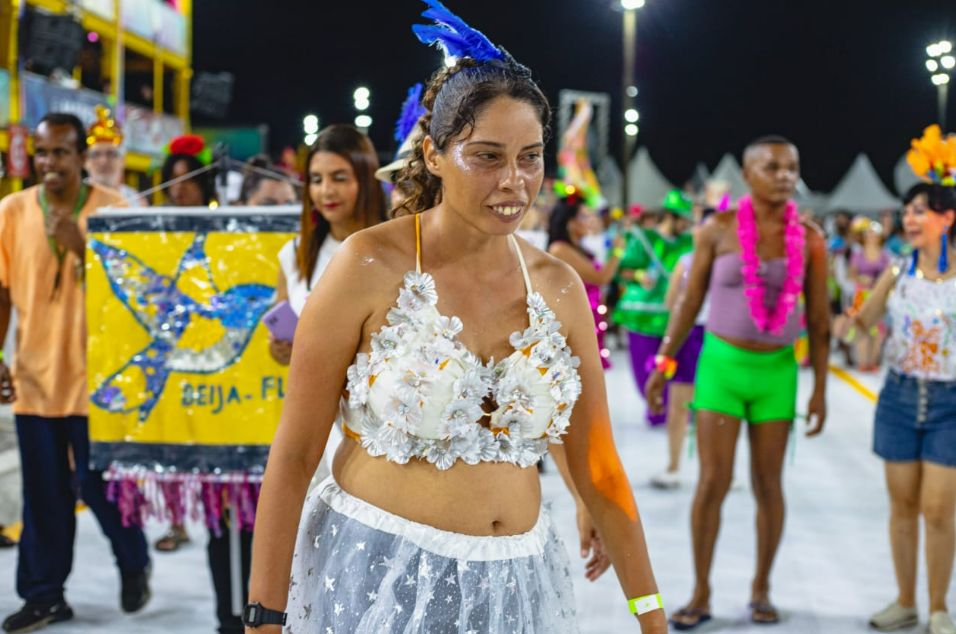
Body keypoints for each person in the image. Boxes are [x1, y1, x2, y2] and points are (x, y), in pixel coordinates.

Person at [246, 4, 666, 632]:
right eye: (487, 156)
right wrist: (263, 615)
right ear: (434, 155)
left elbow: (597, 463)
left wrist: (651, 616)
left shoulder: (560, 288)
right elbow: (296, 451)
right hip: (377, 574)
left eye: (530, 157)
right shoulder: (368, 264)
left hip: (519, 586)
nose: (515, 182)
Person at [646, 136, 829, 629]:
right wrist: (664, 364)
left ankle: (761, 589)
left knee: (769, 485)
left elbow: (820, 318)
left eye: (792, 167)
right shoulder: (718, 229)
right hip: (722, 368)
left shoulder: (810, 239)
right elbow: (687, 304)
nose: (785, 176)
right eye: (772, 167)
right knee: (712, 482)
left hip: (777, 373)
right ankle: (701, 591)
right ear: (748, 174)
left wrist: (820, 389)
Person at [0, 113, 151, 634]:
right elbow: (0, 293)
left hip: (102, 382)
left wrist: (82, 247)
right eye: (42, 153)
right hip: (36, 380)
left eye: (61, 153)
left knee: (98, 485)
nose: (49, 163)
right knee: (43, 495)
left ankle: (134, 561)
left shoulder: (114, 210)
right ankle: (45, 596)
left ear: (83, 157)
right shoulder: (12, 212)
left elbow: (140, 294)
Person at [835, 128, 956, 634]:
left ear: (948, 218)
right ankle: (906, 601)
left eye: (919, 211)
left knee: (937, 508)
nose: (908, 219)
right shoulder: (897, 270)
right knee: (903, 506)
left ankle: (938, 608)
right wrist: (846, 321)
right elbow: (863, 323)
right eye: (907, 211)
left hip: (951, 403)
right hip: (900, 398)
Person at [650, 204, 717, 490]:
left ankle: (711, 467)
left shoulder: (730, 263)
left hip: (715, 337)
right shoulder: (687, 262)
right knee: (681, 405)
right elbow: (669, 302)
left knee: (713, 408)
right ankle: (675, 464)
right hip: (691, 337)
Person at [612, 189, 694, 426]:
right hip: (643, 316)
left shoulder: (689, 242)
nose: (686, 226)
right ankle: (655, 404)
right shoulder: (643, 238)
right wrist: (639, 275)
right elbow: (620, 269)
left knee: (671, 363)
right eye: (684, 220)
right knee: (644, 367)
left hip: (674, 316)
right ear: (671, 216)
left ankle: (669, 406)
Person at [547, 194, 625, 369]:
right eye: (584, 216)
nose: (590, 220)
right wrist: (617, 252)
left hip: (590, 320)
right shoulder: (560, 249)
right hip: (574, 324)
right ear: (569, 222)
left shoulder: (580, 248)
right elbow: (601, 278)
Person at [847, 218, 891, 372]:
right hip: (862, 294)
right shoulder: (858, 254)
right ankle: (863, 362)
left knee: (878, 331)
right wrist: (860, 278)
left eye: (874, 234)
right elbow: (850, 274)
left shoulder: (884, 255)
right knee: (862, 328)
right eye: (869, 234)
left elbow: (889, 275)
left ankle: (873, 361)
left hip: (878, 295)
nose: (871, 237)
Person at [84, 105, 147, 206]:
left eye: (111, 154)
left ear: (123, 161)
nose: (103, 161)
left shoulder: (135, 201)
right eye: (96, 154)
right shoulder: (76, 195)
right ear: (85, 162)